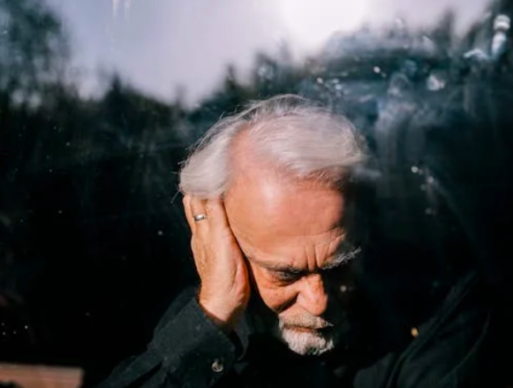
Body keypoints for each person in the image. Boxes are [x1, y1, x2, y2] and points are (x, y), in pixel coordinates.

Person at [96, 95, 500, 388]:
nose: (319, 300)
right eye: (285, 274)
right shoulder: (208, 319)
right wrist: (213, 318)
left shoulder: (438, 307)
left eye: (340, 265)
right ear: (225, 243)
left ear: (365, 227)